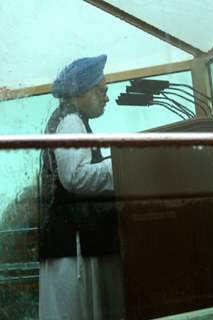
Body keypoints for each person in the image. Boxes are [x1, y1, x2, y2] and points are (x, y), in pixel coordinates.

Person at [38, 55, 124, 319]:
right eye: (102, 90)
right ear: (82, 91)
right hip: (76, 246)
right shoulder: (70, 122)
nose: (107, 97)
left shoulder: (71, 119)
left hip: (73, 243)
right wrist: (124, 165)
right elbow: (76, 177)